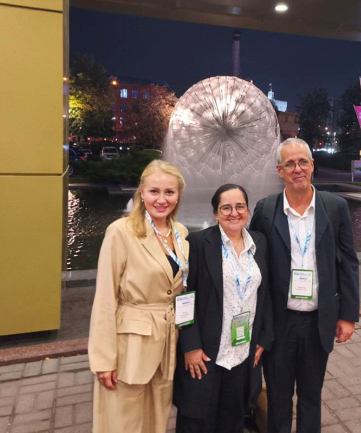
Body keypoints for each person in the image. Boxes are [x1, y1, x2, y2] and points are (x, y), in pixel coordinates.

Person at [249, 138, 360, 433]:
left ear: (312, 166)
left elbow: (348, 262)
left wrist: (348, 315)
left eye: (303, 162)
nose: (297, 169)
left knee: (311, 397)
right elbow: (253, 266)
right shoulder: (265, 210)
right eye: (290, 164)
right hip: (278, 323)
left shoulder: (335, 207)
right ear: (280, 170)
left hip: (317, 321)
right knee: (278, 398)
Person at [88, 160, 189, 433]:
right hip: (130, 345)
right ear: (141, 193)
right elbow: (105, 297)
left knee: (157, 421)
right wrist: (104, 359)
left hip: (168, 344)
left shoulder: (180, 233)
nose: (161, 199)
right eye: (154, 191)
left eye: (169, 192)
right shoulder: (121, 231)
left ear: (178, 195)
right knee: (124, 423)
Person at [174, 184, 274, 433]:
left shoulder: (259, 243)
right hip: (206, 354)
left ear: (248, 211)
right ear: (216, 213)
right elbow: (185, 298)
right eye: (226, 208)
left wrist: (264, 338)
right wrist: (190, 346)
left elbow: (266, 294)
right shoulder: (198, 243)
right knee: (197, 420)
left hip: (243, 352)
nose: (234, 213)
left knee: (233, 420)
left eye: (240, 206)